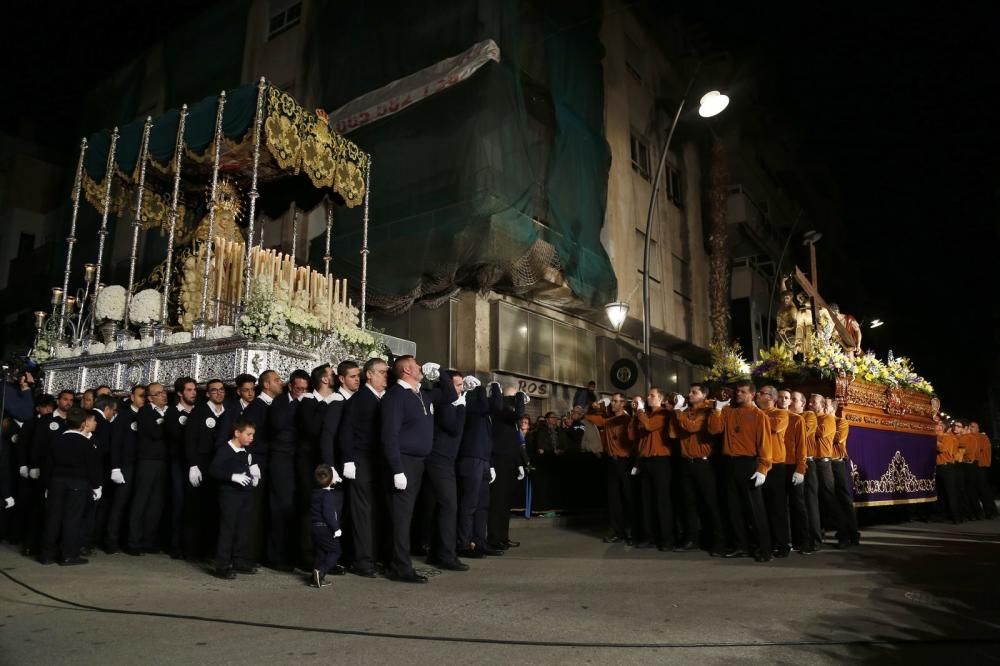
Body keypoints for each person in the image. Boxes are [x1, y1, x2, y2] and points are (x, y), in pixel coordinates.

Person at [380, 356, 456, 583]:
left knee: (409, 516)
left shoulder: (423, 393)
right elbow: (389, 436)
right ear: (406, 369)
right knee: (400, 518)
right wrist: (396, 469)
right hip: (403, 462)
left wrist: (441, 372)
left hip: (419, 462)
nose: (421, 367)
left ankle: (398, 561)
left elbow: (451, 395)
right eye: (417, 365)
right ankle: (400, 568)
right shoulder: (395, 397)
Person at [707, 381, 773, 562]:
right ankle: (741, 546)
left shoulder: (759, 416)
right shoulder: (728, 411)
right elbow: (714, 429)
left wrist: (763, 468)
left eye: (743, 392)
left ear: (752, 395)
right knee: (734, 508)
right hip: (729, 464)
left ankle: (764, 549)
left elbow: (765, 444)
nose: (738, 394)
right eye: (737, 391)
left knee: (755, 510)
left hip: (748, 464)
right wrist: (718, 409)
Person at [339, 358, 388, 578]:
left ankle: (372, 556)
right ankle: (362, 561)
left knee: (374, 512)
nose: (385, 376)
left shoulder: (381, 399)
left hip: (376, 463)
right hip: (360, 462)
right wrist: (348, 460)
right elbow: (346, 431)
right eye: (381, 372)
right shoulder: (359, 399)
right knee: (362, 514)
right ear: (369, 374)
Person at [39, 407, 101, 565]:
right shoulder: (86, 444)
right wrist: (96, 487)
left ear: (66, 422)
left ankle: (47, 555)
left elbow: (47, 465)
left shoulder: (56, 439)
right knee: (72, 519)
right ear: (83, 424)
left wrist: (47, 485)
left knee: (53, 518)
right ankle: (68, 555)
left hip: (56, 482)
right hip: (77, 484)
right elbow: (92, 467)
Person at [421, 370, 469, 571]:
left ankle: (435, 553)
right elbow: (454, 428)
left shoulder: (449, 403)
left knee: (439, 507)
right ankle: (447, 555)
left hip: (443, 460)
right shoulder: (446, 403)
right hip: (439, 460)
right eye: (457, 385)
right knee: (449, 507)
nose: (460, 389)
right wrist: (461, 407)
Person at [671, 384, 725, 555]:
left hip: (704, 464)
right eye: (690, 391)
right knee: (689, 503)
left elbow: (692, 427)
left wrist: (679, 414)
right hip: (686, 462)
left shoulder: (707, 410)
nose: (689, 394)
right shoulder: (685, 411)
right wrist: (679, 413)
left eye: (694, 392)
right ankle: (691, 538)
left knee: (710, 503)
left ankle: (718, 541)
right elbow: (673, 433)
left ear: (704, 395)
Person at [265, 370, 307, 569]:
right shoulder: (281, 403)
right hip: (281, 460)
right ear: (290, 387)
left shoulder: (308, 401)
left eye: (305, 389)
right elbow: (278, 425)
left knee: (294, 509)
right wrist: (298, 404)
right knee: (280, 508)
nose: (302, 392)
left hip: (298, 461)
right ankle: (277, 557)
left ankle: (293, 554)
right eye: (298, 389)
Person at [209, 417, 260, 579]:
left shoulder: (246, 449)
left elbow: (249, 464)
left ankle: (239, 561)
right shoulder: (225, 450)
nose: (252, 438)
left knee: (243, 529)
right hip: (229, 496)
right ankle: (222, 565)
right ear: (237, 433)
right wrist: (232, 476)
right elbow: (213, 470)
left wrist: (254, 472)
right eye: (249, 434)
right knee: (228, 530)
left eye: (253, 435)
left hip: (245, 495)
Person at [456, 375, 499, 559]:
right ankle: (464, 543)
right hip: (471, 458)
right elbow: (490, 405)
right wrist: (482, 388)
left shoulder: (485, 414)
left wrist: (491, 464)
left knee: (482, 505)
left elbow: (495, 406)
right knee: (470, 504)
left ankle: (479, 541)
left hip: (482, 460)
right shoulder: (470, 406)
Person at [184, 379, 227, 559]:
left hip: (220, 465)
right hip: (202, 464)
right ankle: (192, 551)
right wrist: (193, 465)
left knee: (215, 509)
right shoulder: (199, 411)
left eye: (221, 390)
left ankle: (210, 551)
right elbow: (189, 440)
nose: (218, 393)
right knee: (197, 509)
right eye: (214, 390)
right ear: (208, 394)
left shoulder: (227, 412)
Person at [587, 394, 636, 544]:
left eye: (615, 401)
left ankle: (634, 532)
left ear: (623, 403)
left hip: (625, 462)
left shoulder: (627, 419)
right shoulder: (608, 419)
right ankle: (618, 532)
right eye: (612, 401)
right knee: (614, 499)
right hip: (611, 462)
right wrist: (594, 406)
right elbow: (589, 417)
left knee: (629, 498)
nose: (612, 403)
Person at [629, 388, 674, 551]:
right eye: (648, 395)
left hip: (661, 461)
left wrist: (640, 410)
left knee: (662, 501)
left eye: (652, 396)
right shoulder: (644, 415)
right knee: (647, 501)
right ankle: (650, 536)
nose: (648, 398)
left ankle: (666, 539)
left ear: (661, 399)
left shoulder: (664, 414)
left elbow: (648, 426)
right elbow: (636, 437)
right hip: (646, 460)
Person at [127, 382, 168, 555]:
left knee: (156, 503)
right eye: (159, 393)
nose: (164, 395)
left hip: (162, 462)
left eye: (164, 392)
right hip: (147, 462)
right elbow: (156, 433)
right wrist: (165, 424)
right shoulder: (145, 412)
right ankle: (133, 542)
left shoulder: (167, 411)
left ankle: (149, 541)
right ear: (150, 398)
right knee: (141, 502)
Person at [105, 384, 145, 553]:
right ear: (132, 397)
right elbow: (115, 442)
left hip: (141, 466)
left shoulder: (147, 414)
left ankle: (130, 541)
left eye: (145, 396)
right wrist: (115, 467)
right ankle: (110, 542)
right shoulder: (123, 415)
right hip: (125, 466)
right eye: (141, 395)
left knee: (135, 506)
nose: (143, 398)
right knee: (119, 504)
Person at [487, 383, 527, 551]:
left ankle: (503, 537)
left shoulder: (511, 418)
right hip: (499, 460)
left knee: (506, 503)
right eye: (512, 398)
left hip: (510, 460)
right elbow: (519, 413)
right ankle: (494, 539)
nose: (515, 401)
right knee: (497, 502)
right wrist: (519, 397)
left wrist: (519, 464)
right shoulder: (500, 410)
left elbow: (515, 442)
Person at [163, 377, 196, 559]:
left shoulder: (198, 411)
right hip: (178, 464)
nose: (193, 393)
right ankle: (175, 545)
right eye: (189, 390)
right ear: (180, 393)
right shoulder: (172, 414)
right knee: (178, 503)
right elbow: (176, 437)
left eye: (194, 390)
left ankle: (189, 545)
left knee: (192, 506)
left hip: (195, 465)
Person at [755, 385, 790, 557]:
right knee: (762, 507)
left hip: (775, 465)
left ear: (770, 398)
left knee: (777, 507)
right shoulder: (756, 414)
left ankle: (782, 544)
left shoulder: (780, 414)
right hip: (759, 464)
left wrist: (755, 415)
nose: (757, 396)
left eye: (761, 394)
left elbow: (773, 428)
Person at [777, 390, 811, 553]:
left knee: (798, 505)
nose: (783, 399)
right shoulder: (770, 416)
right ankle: (784, 541)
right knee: (780, 507)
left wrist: (800, 469)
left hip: (792, 467)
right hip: (776, 467)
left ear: (790, 401)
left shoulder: (797, 420)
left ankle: (803, 542)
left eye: (786, 397)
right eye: (780, 396)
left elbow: (802, 447)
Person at [828, 399, 860, 546]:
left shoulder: (841, 422)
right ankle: (843, 532)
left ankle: (851, 534)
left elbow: (837, 438)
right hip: (824, 462)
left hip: (837, 463)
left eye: (825, 406)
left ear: (832, 408)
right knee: (833, 500)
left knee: (844, 500)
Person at [310, 464, 344, 588]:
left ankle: (315, 578)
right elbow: (329, 514)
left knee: (321, 553)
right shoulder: (328, 495)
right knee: (335, 551)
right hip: (325, 528)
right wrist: (336, 529)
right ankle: (321, 571)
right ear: (330, 480)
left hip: (315, 528)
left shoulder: (315, 493)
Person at [934, 422, 961, 523]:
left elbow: (942, 448)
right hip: (939, 468)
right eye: (936, 426)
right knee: (941, 494)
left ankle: (956, 517)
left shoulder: (948, 437)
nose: (938, 428)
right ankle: (944, 515)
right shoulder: (939, 437)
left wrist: (934, 440)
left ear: (943, 428)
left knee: (950, 494)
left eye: (940, 426)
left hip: (947, 468)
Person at [969, 422, 997, 519]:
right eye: (970, 426)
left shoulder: (983, 437)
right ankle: (978, 513)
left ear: (978, 428)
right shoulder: (968, 436)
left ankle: (989, 512)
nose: (971, 428)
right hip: (970, 466)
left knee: (983, 490)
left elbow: (985, 450)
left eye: (973, 426)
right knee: (972, 491)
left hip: (980, 466)